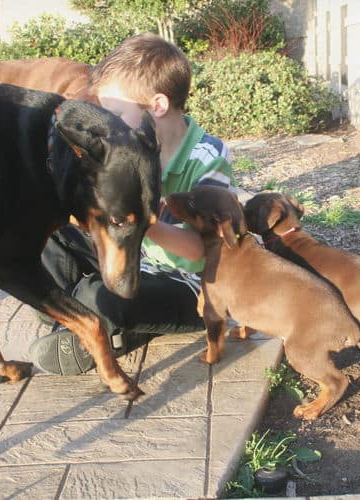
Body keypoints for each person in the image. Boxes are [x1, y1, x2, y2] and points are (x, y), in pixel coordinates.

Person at [28, 33, 236, 375]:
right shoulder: (124, 150)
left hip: (188, 286)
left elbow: (200, 250)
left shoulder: (208, 157)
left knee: (101, 295)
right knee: (48, 232)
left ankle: (87, 316)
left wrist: (143, 220)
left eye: (115, 112)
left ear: (157, 106)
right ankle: (93, 318)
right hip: (133, 263)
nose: (106, 123)